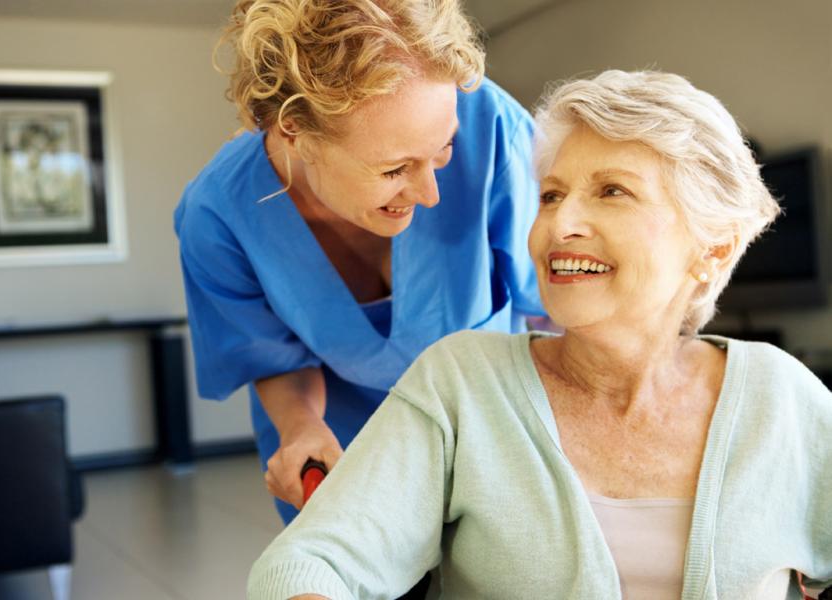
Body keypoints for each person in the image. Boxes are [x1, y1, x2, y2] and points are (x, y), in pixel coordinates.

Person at [246, 70, 832, 600]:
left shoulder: (783, 399)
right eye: (551, 195)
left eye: (612, 191)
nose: (560, 224)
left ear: (715, 245)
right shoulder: (461, 385)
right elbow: (312, 563)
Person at [174, 0, 543, 531]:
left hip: (492, 434)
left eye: (442, 154)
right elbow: (272, 357)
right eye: (395, 168)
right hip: (339, 451)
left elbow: (555, 313)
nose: (431, 194)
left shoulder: (492, 131)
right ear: (294, 130)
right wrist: (300, 426)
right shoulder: (218, 215)